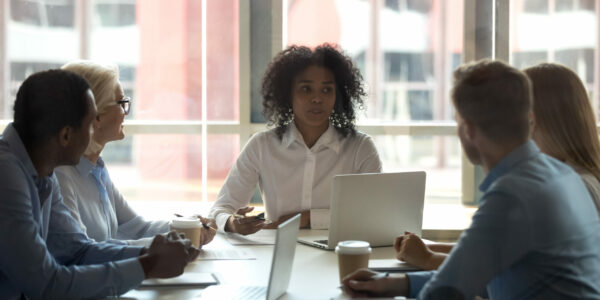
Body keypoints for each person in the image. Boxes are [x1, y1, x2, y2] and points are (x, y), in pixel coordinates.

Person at [341, 60, 600, 299]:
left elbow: (444, 293)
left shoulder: (512, 194)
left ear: (467, 130)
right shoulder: (561, 175)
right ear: (528, 121)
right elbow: (484, 277)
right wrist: (393, 283)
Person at [0, 69, 199, 299]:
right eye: (91, 123)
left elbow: (78, 250)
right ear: (66, 135)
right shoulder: (7, 176)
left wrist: (148, 254)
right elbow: (47, 283)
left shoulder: (42, 170)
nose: (94, 129)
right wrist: (148, 265)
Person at [394, 62, 600, 272]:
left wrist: (428, 259)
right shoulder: (578, 178)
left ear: (532, 120)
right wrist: (431, 248)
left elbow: (506, 271)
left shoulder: (565, 189)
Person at [209, 44, 382, 235]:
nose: (317, 98)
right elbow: (220, 210)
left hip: (338, 254)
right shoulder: (262, 145)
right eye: (306, 89)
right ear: (287, 94)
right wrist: (233, 223)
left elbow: (373, 215)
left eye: (326, 90)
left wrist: (305, 218)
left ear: (338, 96)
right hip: (277, 254)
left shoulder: (360, 148)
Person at [55, 60, 216, 246]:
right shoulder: (61, 176)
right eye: (121, 103)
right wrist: (167, 244)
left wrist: (188, 226)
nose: (126, 112)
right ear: (96, 115)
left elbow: (137, 228)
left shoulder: (95, 169)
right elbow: (84, 251)